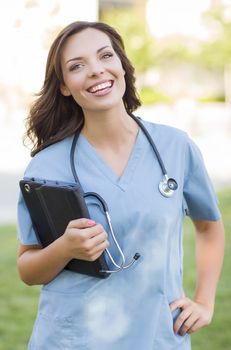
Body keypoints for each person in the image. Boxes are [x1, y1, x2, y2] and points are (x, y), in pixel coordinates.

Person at [17, 21, 225, 350]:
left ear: (122, 66)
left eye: (105, 56)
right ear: (65, 87)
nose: (96, 71)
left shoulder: (175, 147)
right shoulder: (46, 166)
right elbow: (28, 268)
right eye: (77, 66)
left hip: (156, 337)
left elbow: (209, 226)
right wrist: (66, 248)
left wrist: (205, 301)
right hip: (71, 340)